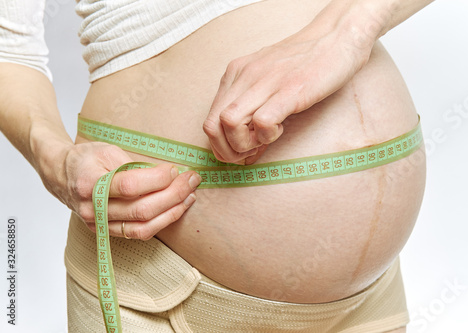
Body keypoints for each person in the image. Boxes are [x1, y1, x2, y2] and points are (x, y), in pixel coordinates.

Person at [0, 0, 432, 331]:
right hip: (156, 286)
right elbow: (8, 43)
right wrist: (54, 161)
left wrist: (343, 32)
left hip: (366, 301)